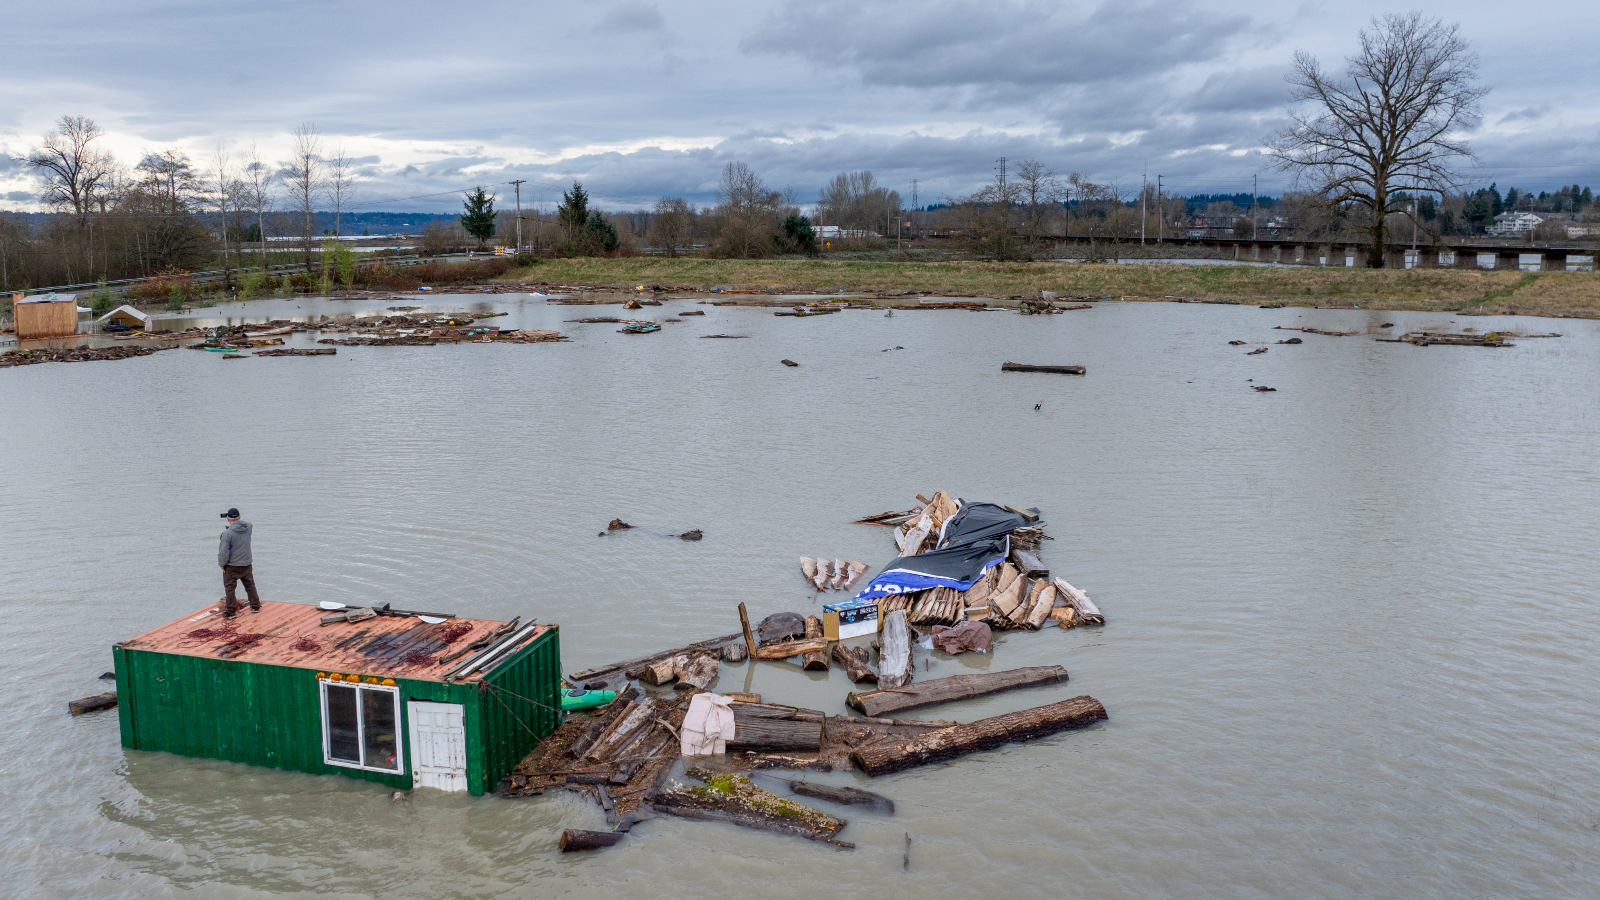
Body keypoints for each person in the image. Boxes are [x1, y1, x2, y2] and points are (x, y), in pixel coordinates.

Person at [218, 508, 260, 617]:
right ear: (240, 516)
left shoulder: (227, 534)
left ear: (227, 519)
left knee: (230, 588)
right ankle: (255, 606)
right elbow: (247, 524)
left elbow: (223, 552)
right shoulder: (248, 527)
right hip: (246, 563)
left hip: (232, 566)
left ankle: (231, 612)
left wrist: (222, 564)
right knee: (250, 585)